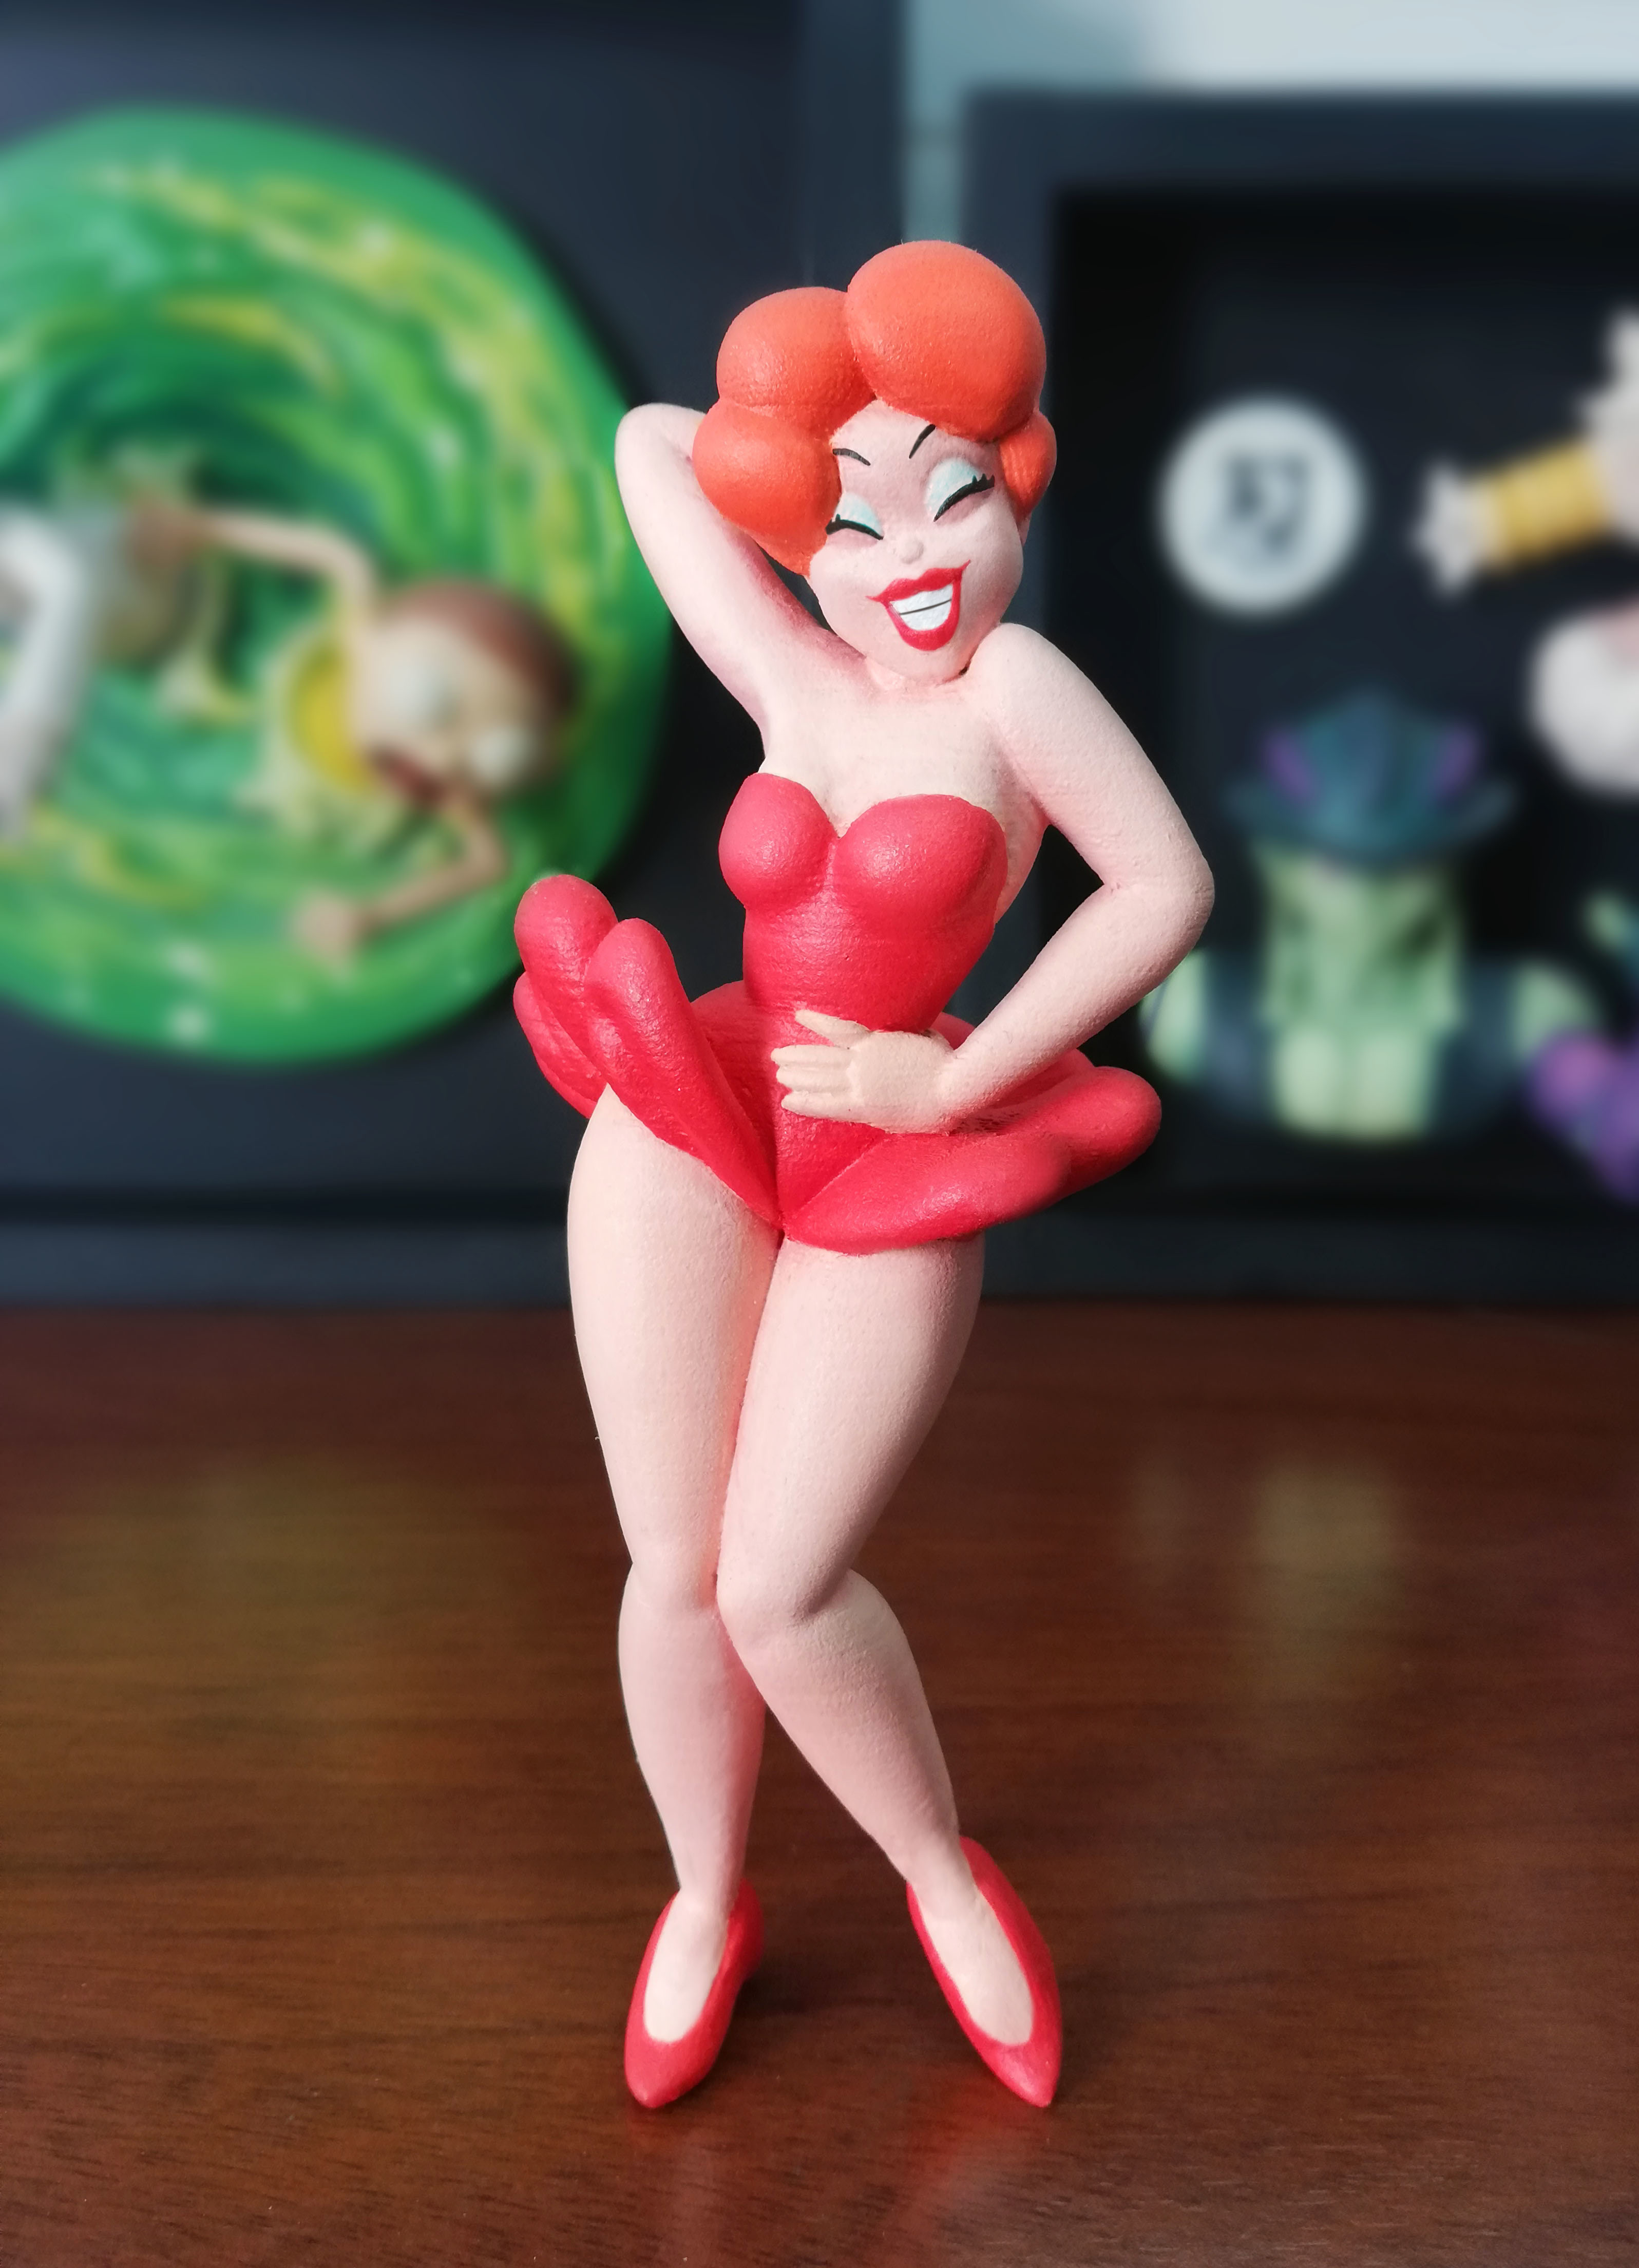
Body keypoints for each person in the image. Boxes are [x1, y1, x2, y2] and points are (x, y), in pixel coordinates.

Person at [513, 242, 1212, 2109]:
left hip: (888, 1155)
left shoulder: (1014, 690)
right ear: (798, 547)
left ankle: (939, 1873)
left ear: (1019, 490)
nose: (911, 554)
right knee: (673, 1568)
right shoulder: (791, 669)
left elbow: (1162, 885)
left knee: (782, 1583)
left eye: (954, 494)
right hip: (694, 1108)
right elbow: (649, 444)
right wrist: (799, 439)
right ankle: (704, 1895)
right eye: (853, 522)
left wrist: (955, 1074)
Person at [0, 490, 570, 951]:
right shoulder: (358, 630)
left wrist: (373, 913)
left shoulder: (445, 785)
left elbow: (488, 861)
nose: (443, 756)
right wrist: (204, 527)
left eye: (505, 755)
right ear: (373, 635)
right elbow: (339, 558)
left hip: (309, 790)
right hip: (258, 682)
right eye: (428, 700)